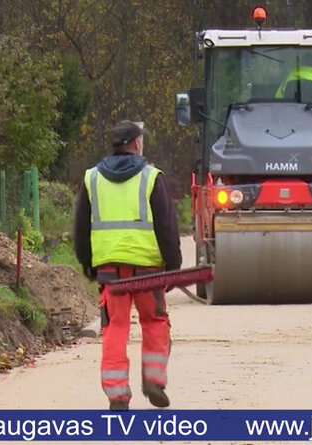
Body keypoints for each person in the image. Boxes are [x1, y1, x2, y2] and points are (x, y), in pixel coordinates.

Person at [74, 120, 182, 410]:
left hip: (110, 271)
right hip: (147, 268)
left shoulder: (92, 178)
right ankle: (154, 381)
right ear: (136, 144)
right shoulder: (151, 177)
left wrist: (87, 262)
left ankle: (117, 395)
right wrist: (173, 263)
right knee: (155, 321)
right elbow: (167, 226)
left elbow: (81, 226)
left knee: (115, 329)